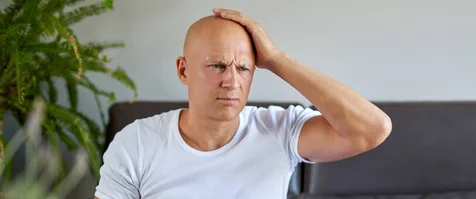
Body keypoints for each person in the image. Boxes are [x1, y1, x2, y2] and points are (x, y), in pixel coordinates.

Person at [94, 8, 392, 199]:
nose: (232, 82)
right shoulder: (137, 142)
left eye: (244, 68)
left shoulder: (280, 130)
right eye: (217, 66)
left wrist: (276, 60)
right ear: (183, 70)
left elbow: (373, 129)